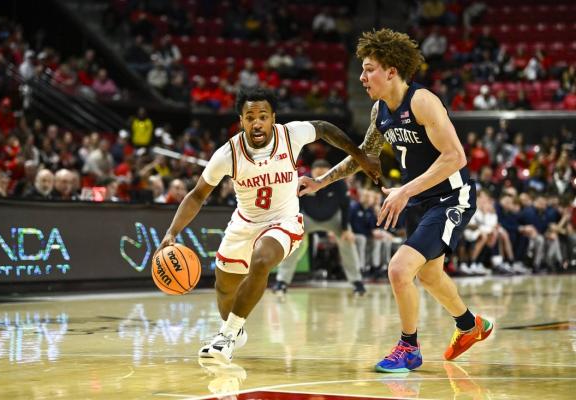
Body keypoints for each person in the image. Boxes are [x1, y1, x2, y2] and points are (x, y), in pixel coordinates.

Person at [299, 29, 493, 373]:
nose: (362, 77)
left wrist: (404, 191)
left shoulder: (422, 101)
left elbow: (455, 157)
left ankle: (409, 348)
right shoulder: (380, 111)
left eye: (369, 69)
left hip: (450, 197)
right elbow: (364, 155)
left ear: (391, 71)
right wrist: (320, 182)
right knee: (430, 276)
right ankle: (469, 325)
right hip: (419, 201)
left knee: (399, 269)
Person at [157, 87, 380, 364]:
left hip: (283, 220)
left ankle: (226, 335)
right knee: (224, 286)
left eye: (263, 116)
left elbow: (323, 128)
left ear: (273, 117)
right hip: (244, 223)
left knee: (262, 259)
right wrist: (172, 232)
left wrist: (359, 156)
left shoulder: (290, 135)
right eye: (250, 117)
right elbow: (197, 195)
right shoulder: (228, 154)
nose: (257, 123)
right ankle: (234, 331)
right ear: (241, 121)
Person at [273, 159, 366, 297]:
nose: (320, 179)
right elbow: (294, 205)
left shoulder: (339, 183)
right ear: (311, 173)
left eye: (324, 176)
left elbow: (345, 206)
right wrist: (294, 226)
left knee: (348, 241)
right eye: (317, 175)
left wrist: (346, 229)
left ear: (330, 173)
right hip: (308, 217)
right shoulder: (303, 182)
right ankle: (282, 281)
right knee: (292, 242)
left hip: (333, 218)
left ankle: (357, 282)